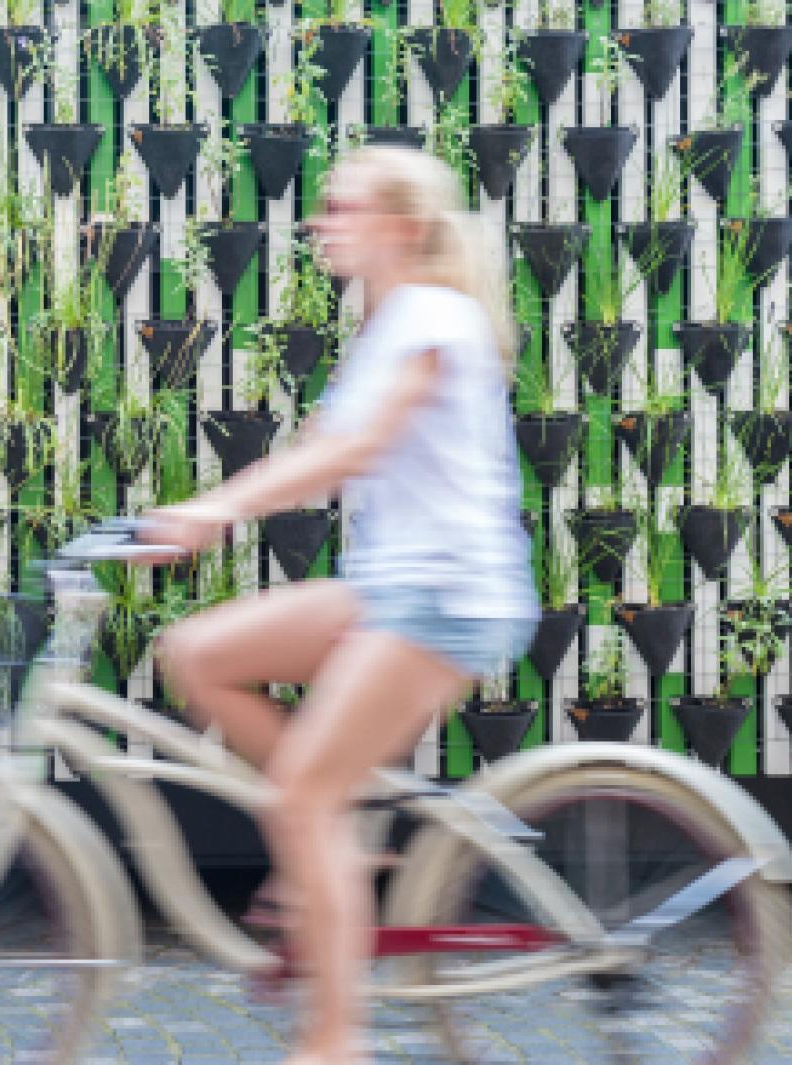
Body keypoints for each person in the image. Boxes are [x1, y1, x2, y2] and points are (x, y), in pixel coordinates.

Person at [138, 145, 540, 1064]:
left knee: (306, 796)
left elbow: (354, 449)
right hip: (389, 587)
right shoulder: (386, 319)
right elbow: (324, 443)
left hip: (445, 595)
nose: (322, 222)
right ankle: (337, 848)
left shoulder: (433, 316)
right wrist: (189, 509)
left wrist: (218, 509)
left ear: (401, 225)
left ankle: (334, 1042)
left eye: (343, 207)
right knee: (197, 652)